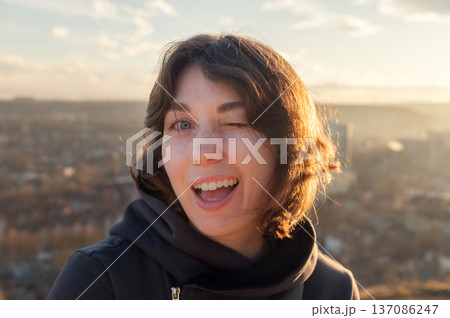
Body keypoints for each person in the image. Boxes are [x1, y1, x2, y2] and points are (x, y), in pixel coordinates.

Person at [47, 33, 360, 300]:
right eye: (182, 124)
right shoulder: (101, 280)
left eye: (234, 122)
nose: (203, 151)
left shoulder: (332, 289)